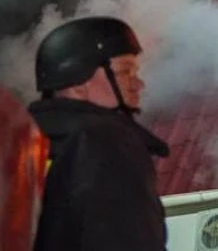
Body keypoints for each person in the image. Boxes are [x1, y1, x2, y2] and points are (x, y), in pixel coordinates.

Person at [26, 16, 171, 251]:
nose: (138, 84)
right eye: (124, 72)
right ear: (78, 84)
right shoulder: (108, 142)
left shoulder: (23, 146)